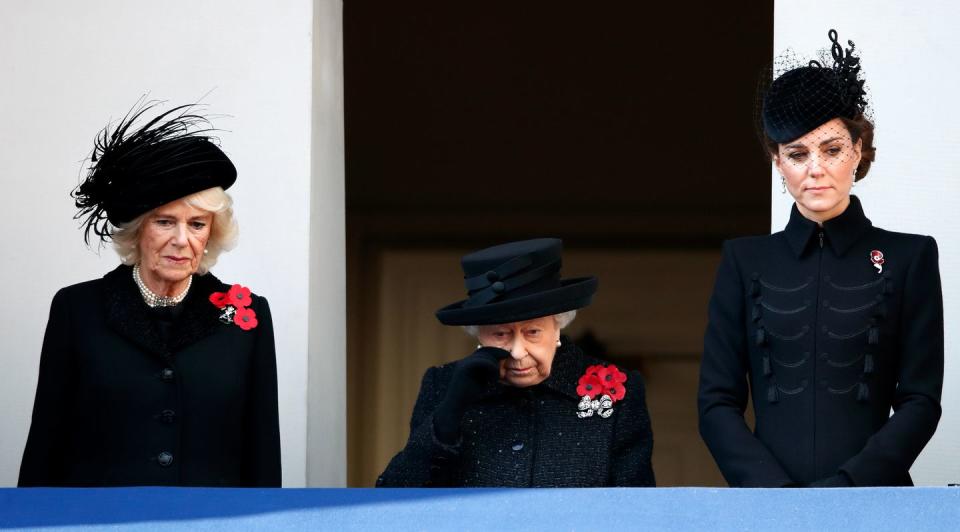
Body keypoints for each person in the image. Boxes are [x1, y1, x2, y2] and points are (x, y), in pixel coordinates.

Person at [698, 30, 943, 487]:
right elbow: (715, 403)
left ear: (858, 151)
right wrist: (776, 497)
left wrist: (846, 489)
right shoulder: (742, 260)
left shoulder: (910, 257)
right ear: (777, 161)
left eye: (831, 150)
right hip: (766, 507)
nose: (815, 168)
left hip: (875, 503)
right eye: (797, 153)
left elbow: (920, 400)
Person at [18, 103, 281, 487]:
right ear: (139, 230)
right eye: (164, 222)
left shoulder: (248, 316)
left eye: (196, 224)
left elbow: (262, 454)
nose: (181, 240)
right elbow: (46, 443)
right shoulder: (77, 310)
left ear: (211, 233)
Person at [377, 238, 655, 487]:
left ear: (558, 326)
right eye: (501, 334)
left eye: (533, 332)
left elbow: (637, 510)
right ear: (478, 334)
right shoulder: (442, 385)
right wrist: (449, 415)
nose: (518, 351)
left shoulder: (620, 391)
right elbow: (394, 497)